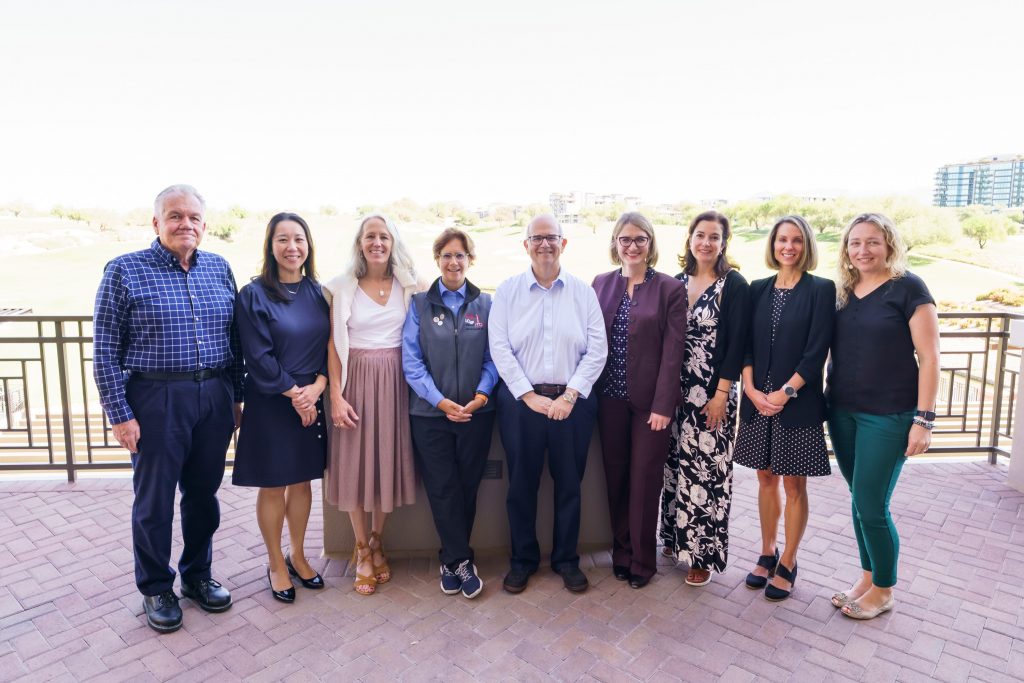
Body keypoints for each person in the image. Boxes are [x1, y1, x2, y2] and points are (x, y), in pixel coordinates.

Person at [93, 184, 241, 633]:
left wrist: (235, 398)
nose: (185, 224)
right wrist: (120, 414)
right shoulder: (124, 270)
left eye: (194, 217)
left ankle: (197, 576)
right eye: (175, 216)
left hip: (213, 395)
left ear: (204, 225)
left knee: (203, 496)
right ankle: (157, 586)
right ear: (156, 222)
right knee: (154, 501)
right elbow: (104, 351)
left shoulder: (219, 268)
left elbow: (235, 340)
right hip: (155, 399)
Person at [827, 213, 939, 620]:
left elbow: (930, 358)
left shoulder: (909, 288)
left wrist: (923, 420)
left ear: (889, 244)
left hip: (889, 415)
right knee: (859, 500)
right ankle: (868, 578)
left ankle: (885, 589)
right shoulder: (843, 290)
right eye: (855, 243)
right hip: (842, 411)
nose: (863, 250)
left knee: (872, 505)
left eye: (872, 242)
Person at [489, 214, 607, 594]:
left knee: (570, 484)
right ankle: (522, 561)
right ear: (526, 245)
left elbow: (597, 350)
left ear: (563, 243)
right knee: (521, 485)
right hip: (521, 403)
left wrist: (569, 396)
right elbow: (499, 348)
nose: (544, 244)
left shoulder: (582, 293)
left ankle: (566, 560)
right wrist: (529, 396)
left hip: (573, 404)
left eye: (551, 237)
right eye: (537, 238)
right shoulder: (507, 292)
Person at [733, 215, 835, 601]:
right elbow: (745, 345)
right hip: (757, 401)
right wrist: (751, 389)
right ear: (772, 245)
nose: (788, 246)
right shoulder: (758, 289)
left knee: (793, 483)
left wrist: (785, 392)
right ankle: (767, 552)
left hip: (797, 403)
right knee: (765, 478)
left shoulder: (821, 289)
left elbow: (817, 350)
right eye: (781, 240)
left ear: (806, 245)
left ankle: (789, 561)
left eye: (796, 240)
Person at [233, 213, 330, 603]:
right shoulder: (253, 294)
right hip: (271, 400)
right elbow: (257, 356)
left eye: (299, 239)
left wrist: (317, 389)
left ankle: (298, 555)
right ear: (270, 246)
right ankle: (275, 563)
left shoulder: (319, 292)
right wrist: (296, 394)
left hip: (311, 397)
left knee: (302, 482)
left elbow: (332, 348)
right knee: (273, 484)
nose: (292, 247)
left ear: (309, 245)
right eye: (283, 239)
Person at [323, 215, 419, 595]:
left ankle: (378, 540)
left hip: (395, 381)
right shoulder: (342, 286)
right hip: (356, 381)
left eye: (384, 237)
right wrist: (336, 395)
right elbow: (334, 345)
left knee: (386, 461)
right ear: (360, 243)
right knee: (354, 463)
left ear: (393, 243)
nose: (377, 243)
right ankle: (361, 548)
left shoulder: (409, 284)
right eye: (370, 237)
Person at [402, 228, 499, 599]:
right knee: (442, 488)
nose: (453, 262)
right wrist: (441, 402)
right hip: (430, 416)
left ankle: (452, 560)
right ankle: (460, 562)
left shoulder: (486, 304)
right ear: (437, 259)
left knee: (467, 487)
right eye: (446, 255)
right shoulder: (419, 305)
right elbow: (412, 363)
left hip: (476, 414)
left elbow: (493, 358)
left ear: (469, 260)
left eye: (460, 255)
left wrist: (481, 395)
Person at [592, 212, 686, 589]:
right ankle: (621, 552)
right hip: (609, 399)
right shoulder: (600, 284)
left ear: (650, 243)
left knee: (645, 479)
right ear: (615, 243)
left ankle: (643, 561)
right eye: (625, 239)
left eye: (640, 239)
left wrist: (664, 405)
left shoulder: (669, 288)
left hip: (651, 407)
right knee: (615, 476)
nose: (632, 246)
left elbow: (674, 351)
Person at [660, 210, 748, 587]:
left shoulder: (734, 285)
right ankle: (673, 538)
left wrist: (721, 394)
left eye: (714, 236)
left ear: (724, 243)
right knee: (674, 467)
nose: (706, 242)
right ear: (690, 238)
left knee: (707, 472)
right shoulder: (675, 282)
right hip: (675, 392)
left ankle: (702, 555)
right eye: (700, 235)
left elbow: (737, 343)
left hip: (714, 393)